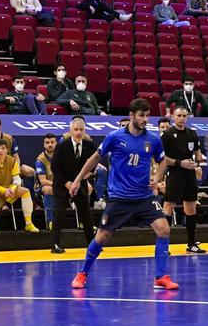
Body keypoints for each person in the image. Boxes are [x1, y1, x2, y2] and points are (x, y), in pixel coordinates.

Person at [72, 99, 179, 291]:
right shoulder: (115, 137)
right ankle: (82, 273)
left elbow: (162, 161)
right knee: (102, 236)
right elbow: (95, 158)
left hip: (144, 197)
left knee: (164, 228)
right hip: (120, 198)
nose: (145, 119)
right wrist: (79, 179)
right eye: (141, 116)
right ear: (132, 116)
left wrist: (157, 176)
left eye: (147, 116)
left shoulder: (153, 139)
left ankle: (160, 276)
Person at [160, 107, 206, 254]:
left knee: (191, 208)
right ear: (173, 117)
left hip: (189, 175)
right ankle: (163, 246)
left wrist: (196, 163)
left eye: (184, 116)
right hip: (175, 173)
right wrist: (180, 163)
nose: (181, 118)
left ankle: (191, 244)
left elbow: (198, 154)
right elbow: (162, 159)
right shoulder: (166, 135)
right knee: (168, 207)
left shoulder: (192, 133)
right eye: (179, 115)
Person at [49, 117, 98, 253]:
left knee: (86, 215)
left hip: (79, 183)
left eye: (81, 130)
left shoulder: (89, 145)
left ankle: (92, 244)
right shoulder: (62, 146)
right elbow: (54, 167)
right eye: (76, 129)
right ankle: (55, 244)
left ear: (85, 130)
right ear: (70, 130)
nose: (78, 132)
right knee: (59, 214)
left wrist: (81, 179)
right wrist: (67, 183)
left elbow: (94, 166)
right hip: (62, 184)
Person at [0, 139, 38, 234]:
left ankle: (28, 223)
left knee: (26, 191)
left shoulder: (12, 161)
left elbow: (17, 179)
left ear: (7, 150)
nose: (1, 151)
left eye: (3, 148)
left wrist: (13, 189)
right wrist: (3, 190)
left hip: (6, 186)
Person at [35, 133, 57, 229]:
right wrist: (59, 184)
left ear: (56, 143)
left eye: (52, 142)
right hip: (43, 187)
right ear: (44, 145)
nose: (50, 144)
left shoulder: (61, 156)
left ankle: (83, 221)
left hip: (60, 185)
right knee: (48, 189)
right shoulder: (40, 160)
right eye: (47, 143)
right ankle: (50, 221)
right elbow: (43, 181)